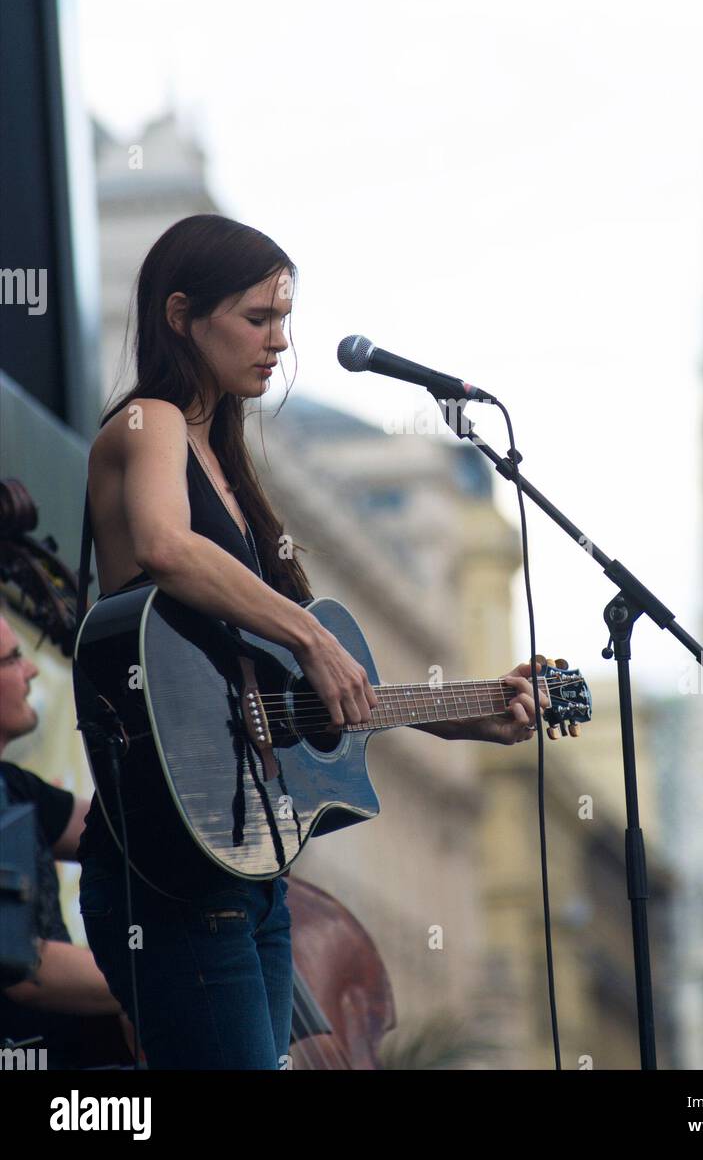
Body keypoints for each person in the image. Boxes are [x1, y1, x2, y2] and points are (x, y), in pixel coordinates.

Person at [78, 212, 547, 1071]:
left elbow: (313, 693)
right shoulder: (145, 425)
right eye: (259, 319)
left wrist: (474, 715)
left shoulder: (225, 456)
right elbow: (161, 547)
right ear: (181, 315)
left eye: (284, 319)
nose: (280, 342)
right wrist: (309, 632)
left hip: (249, 873)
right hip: (169, 877)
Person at [0, 604, 137, 1068]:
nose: (32, 668)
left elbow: (125, 833)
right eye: (12, 659)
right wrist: (160, 976)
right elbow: (22, 967)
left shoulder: (14, 786)